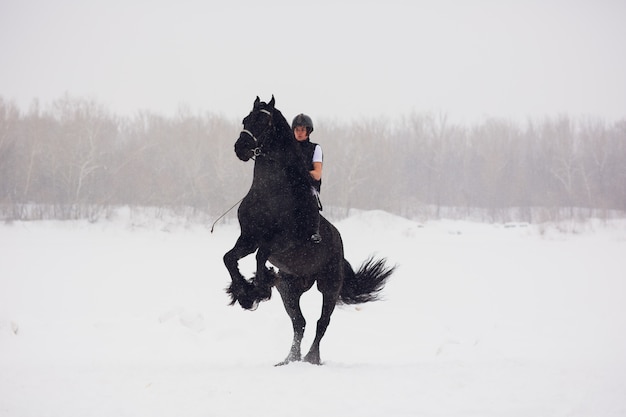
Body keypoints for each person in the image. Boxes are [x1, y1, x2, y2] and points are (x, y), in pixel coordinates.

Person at [292, 113, 323, 243]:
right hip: (288, 184)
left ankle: (313, 231)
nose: (299, 133)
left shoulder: (315, 148)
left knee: (307, 198)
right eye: (297, 130)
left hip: (307, 185)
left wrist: (303, 172)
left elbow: (317, 174)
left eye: (303, 130)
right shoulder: (287, 148)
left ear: (308, 131)